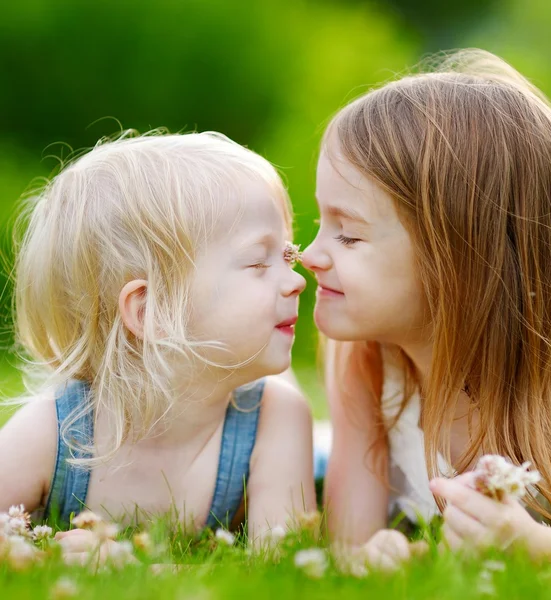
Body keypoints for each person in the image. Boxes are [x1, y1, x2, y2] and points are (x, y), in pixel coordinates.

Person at [302, 49, 551, 563]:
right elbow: (349, 545)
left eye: (347, 235)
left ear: (461, 258)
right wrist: (378, 556)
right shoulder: (365, 360)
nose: (308, 256)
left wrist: (539, 547)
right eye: (318, 225)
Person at [0, 131, 315, 550]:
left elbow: (281, 566)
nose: (297, 281)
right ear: (151, 311)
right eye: (259, 262)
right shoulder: (56, 431)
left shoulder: (276, 418)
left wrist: (121, 566)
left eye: (288, 257)